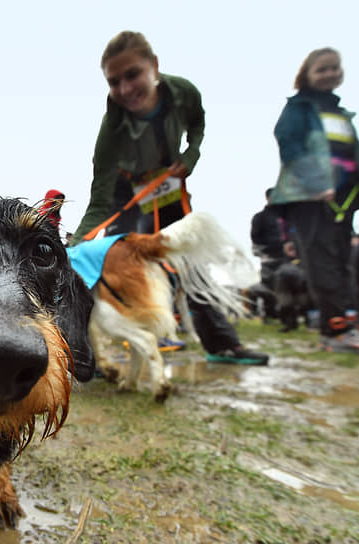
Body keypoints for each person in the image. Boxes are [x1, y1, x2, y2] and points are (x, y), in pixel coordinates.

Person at [70, 30, 268, 366]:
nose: (124, 89)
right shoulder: (111, 132)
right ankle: (94, 354)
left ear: (155, 67)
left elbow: (198, 125)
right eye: (114, 82)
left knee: (187, 259)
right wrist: (76, 243)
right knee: (118, 265)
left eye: (132, 75)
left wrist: (190, 155)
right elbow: (99, 200)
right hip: (126, 196)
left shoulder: (184, 93)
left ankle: (221, 344)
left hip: (167, 187)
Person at [269, 47, 359, 353]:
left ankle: (345, 323)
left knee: (342, 259)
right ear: (306, 74)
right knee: (321, 262)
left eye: (335, 68)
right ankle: (334, 330)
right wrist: (316, 182)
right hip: (310, 197)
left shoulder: (341, 115)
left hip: (343, 200)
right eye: (321, 69)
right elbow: (288, 143)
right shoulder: (299, 108)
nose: (330, 73)